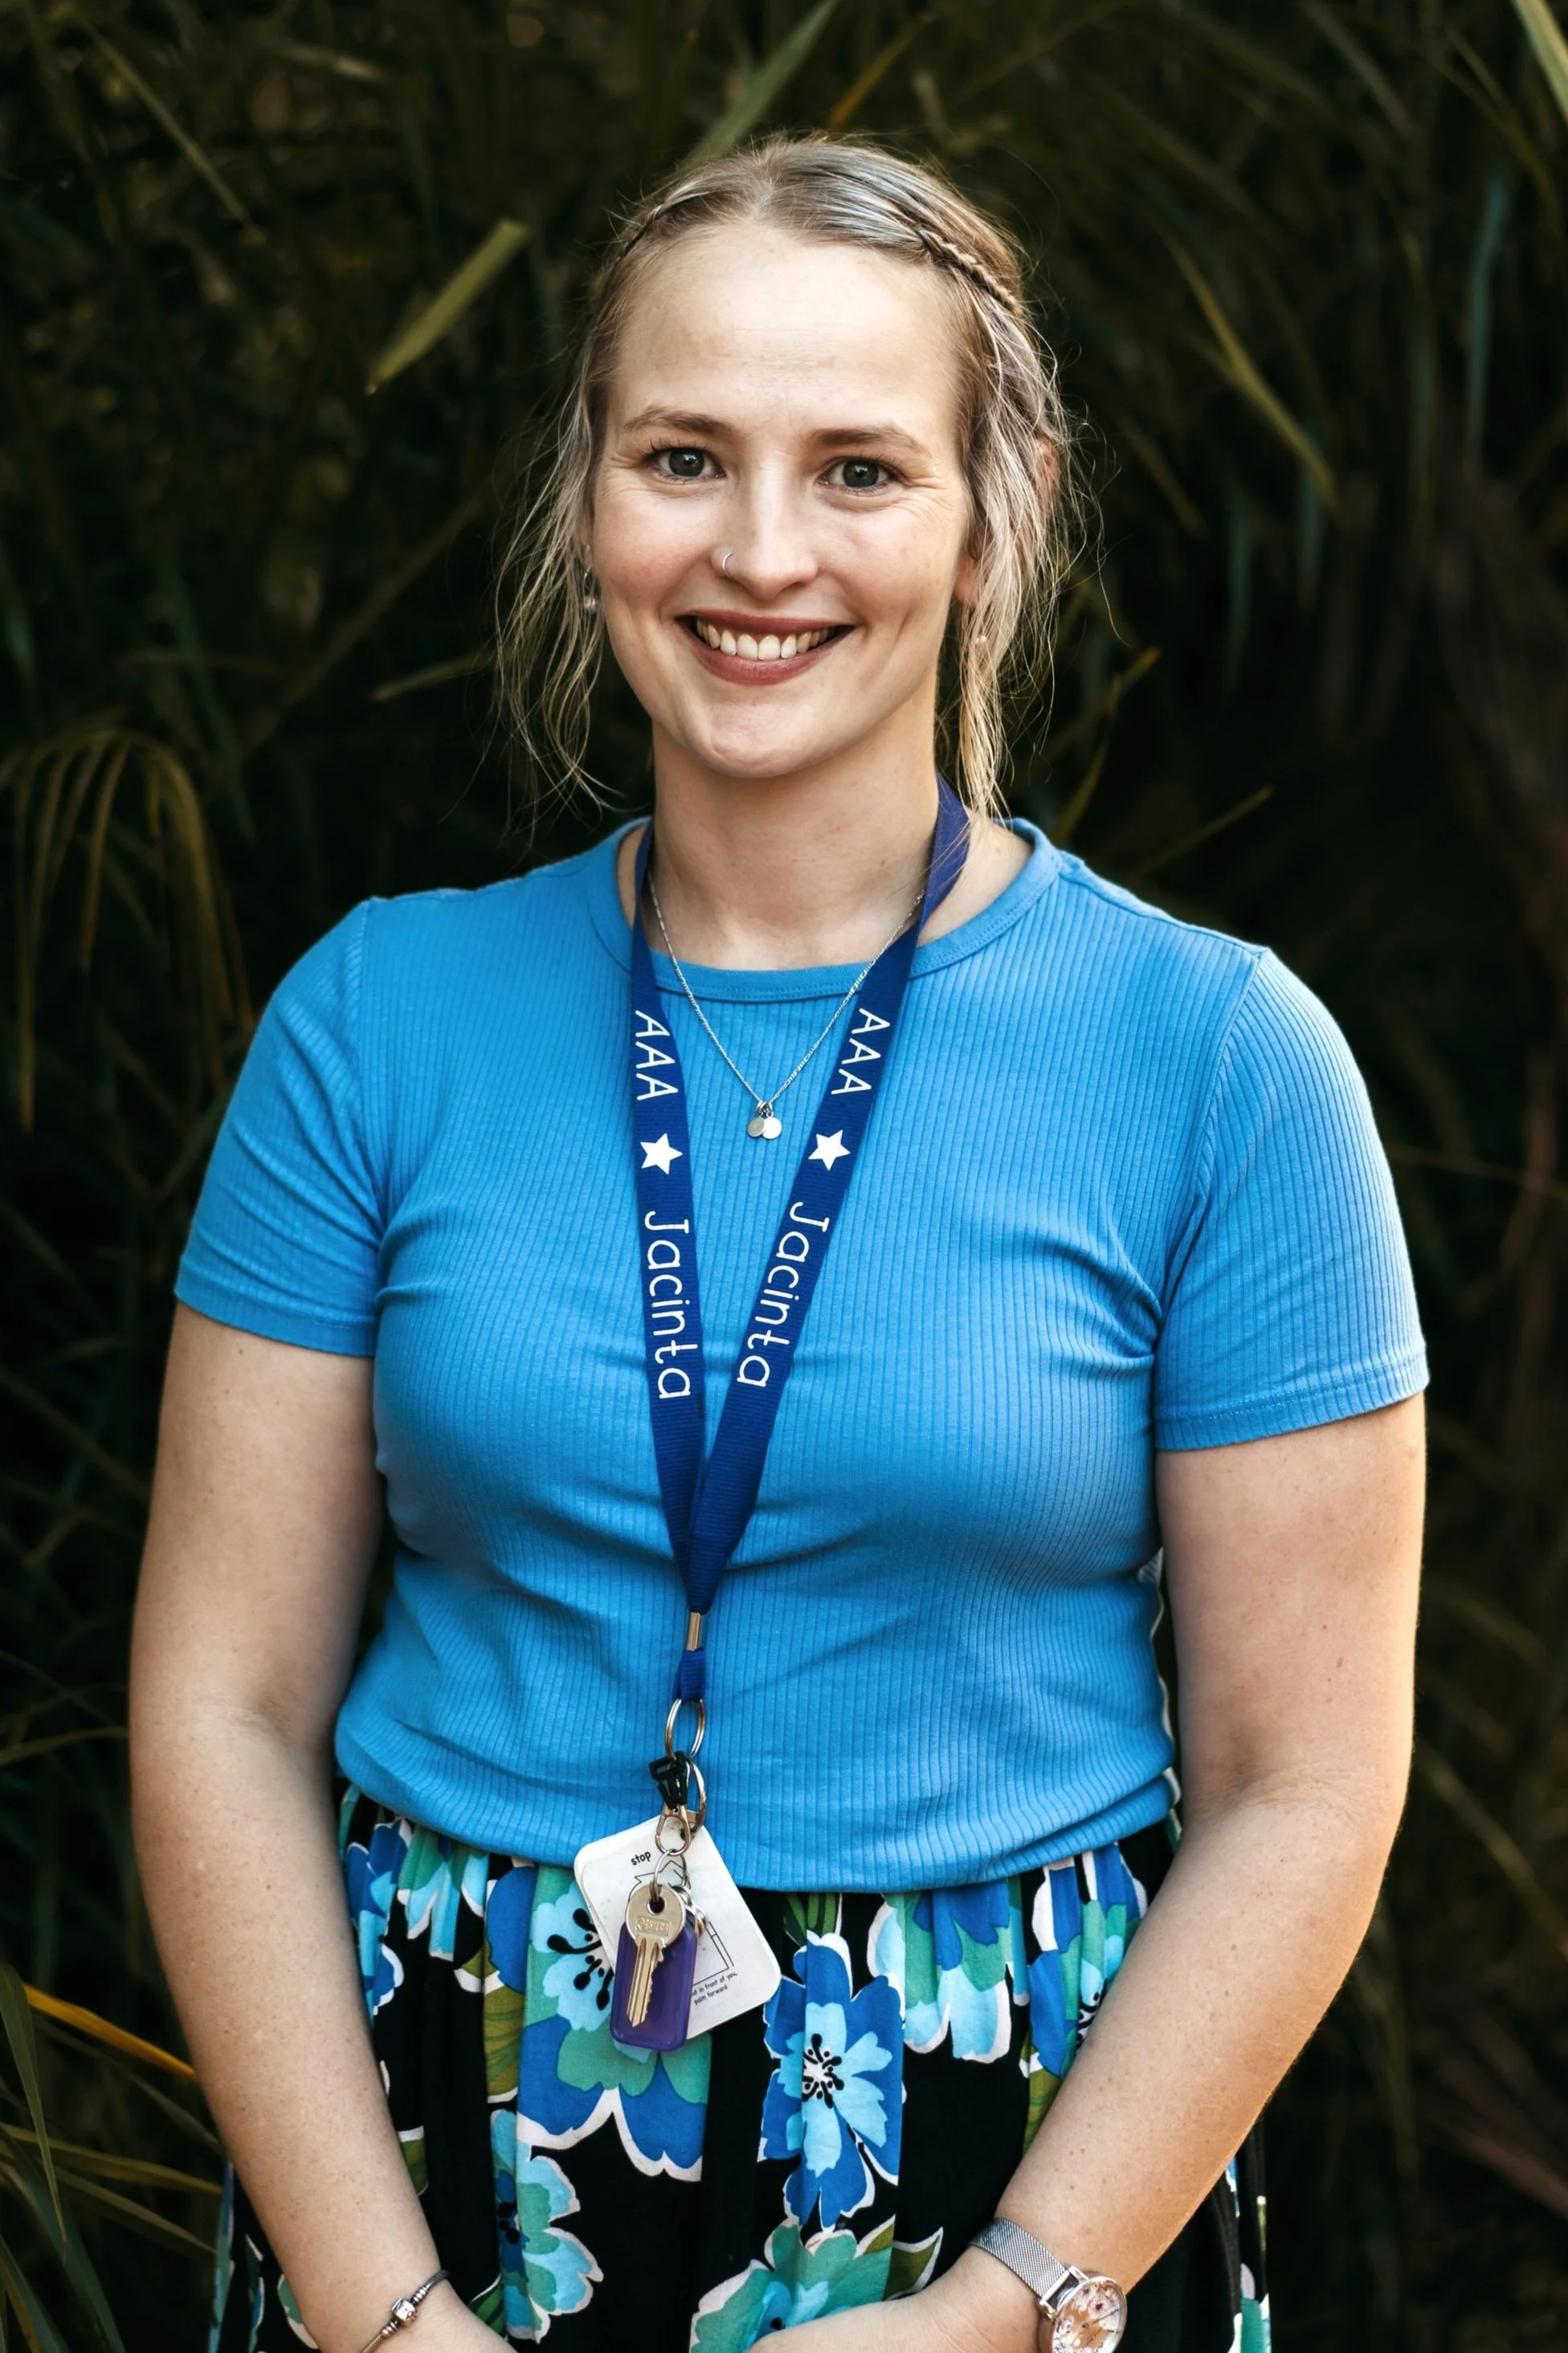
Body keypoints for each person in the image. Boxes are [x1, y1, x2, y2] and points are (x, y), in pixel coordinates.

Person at [130, 137, 1427, 2353]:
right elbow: (221, 1702)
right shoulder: (374, 1022)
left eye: (857, 469)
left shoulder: (1217, 1061)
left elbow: (1307, 1783)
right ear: (586, 500)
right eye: (681, 456)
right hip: (431, 2159)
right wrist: (376, 2312)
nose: (757, 553)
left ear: (993, 514)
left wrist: (1007, 2303)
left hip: (1014, 2169)